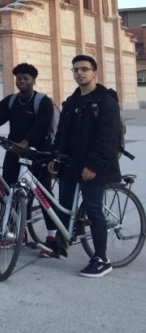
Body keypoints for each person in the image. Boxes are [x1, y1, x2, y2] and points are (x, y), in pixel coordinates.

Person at [0, 63, 57, 247]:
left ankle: (52, 236)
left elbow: (42, 126)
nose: (22, 81)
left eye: (26, 78)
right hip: (14, 152)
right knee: (7, 193)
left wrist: (26, 143)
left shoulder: (42, 101)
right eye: (19, 78)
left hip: (39, 153)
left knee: (43, 194)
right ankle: (15, 233)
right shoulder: (11, 101)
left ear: (33, 81)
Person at [49, 55, 122, 277]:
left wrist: (93, 165)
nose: (79, 73)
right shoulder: (72, 101)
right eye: (75, 69)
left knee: (93, 209)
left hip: (94, 165)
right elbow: (62, 133)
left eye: (84, 69)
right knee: (64, 204)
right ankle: (61, 243)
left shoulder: (105, 100)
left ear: (94, 73)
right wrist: (56, 157)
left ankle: (101, 258)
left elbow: (108, 137)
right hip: (70, 163)